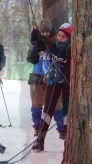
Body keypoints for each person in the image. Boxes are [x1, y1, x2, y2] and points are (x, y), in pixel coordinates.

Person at [32, 23, 72, 152]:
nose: (60, 38)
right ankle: (40, 140)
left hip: (66, 83)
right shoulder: (53, 44)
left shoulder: (71, 50)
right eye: (59, 35)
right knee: (47, 109)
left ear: (69, 38)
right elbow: (39, 40)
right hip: (53, 80)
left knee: (66, 112)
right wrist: (36, 30)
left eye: (63, 37)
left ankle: (68, 140)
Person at [28, 19, 65, 139]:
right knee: (36, 104)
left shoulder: (55, 43)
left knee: (57, 105)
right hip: (37, 77)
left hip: (52, 78)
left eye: (47, 32)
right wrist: (37, 49)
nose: (45, 34)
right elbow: (31, 59)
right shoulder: (36, 42)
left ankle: (62, 129)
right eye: (42, 32)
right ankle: (37, 128)